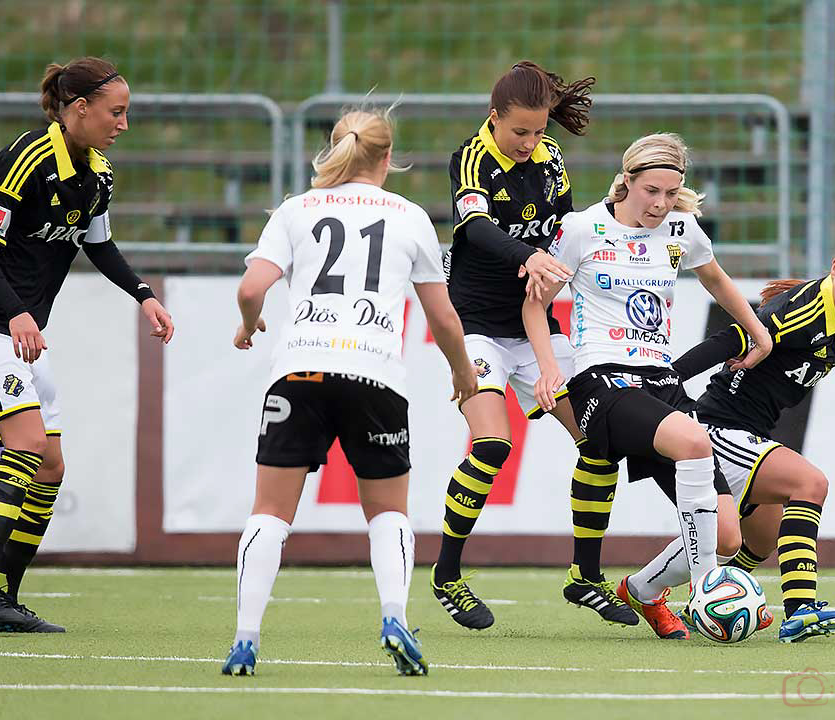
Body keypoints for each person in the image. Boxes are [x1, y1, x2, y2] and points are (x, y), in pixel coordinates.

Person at [221, 108, 477, 677]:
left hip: (299, 374)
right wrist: (462, 372)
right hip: (374, 376)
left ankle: (245, 637)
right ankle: (393, 618)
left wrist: (249, 321)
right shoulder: (409, 217)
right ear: (387, 158)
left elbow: (250, 287)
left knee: (269, 512)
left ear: (334, 150)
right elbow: (443, 319)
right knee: (388, 514)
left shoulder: (295, 210)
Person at [0, 57, 173, 633]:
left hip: (20, 331)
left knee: (50, 463)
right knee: (25, 444)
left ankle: (4, 600)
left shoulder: (98, 173)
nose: (123, 124)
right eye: (116, 112)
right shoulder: (26, 157)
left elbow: (100, 247)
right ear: (79, 109)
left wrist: (143, 294)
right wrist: (17, 311)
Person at [523, 132, 774, 639]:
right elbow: (534, 303)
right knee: (693, 441)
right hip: (601, 381)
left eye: (670, 192)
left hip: (660, 383)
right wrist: (550, 368)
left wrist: (757, 328)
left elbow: (717, 280)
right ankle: (706, 589)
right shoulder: (582, 228)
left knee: (727, 533)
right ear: (627, 181)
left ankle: (640, 590)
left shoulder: (682, 229)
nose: (660, 204)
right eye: (650, 191)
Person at [433, 61, 639, 631]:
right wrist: (527, 257)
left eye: (538, 131)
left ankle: (585, 577)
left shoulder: (550, 159)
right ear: (493, 119)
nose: (530, 143)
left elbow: (564, 230)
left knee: (600, 444)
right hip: (474, 326)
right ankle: (447, 575)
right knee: (493, 444)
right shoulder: (470, 158)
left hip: (535, 327)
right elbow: (474, 229)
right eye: (519, 131)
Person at [619, 229, 835, 643]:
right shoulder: (804, 310)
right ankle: (801, 609)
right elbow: (727, 339)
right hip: (717, 426)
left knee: (758, 536)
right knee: (810, 483)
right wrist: (664, 382)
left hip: (749, 431)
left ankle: (649, 589)